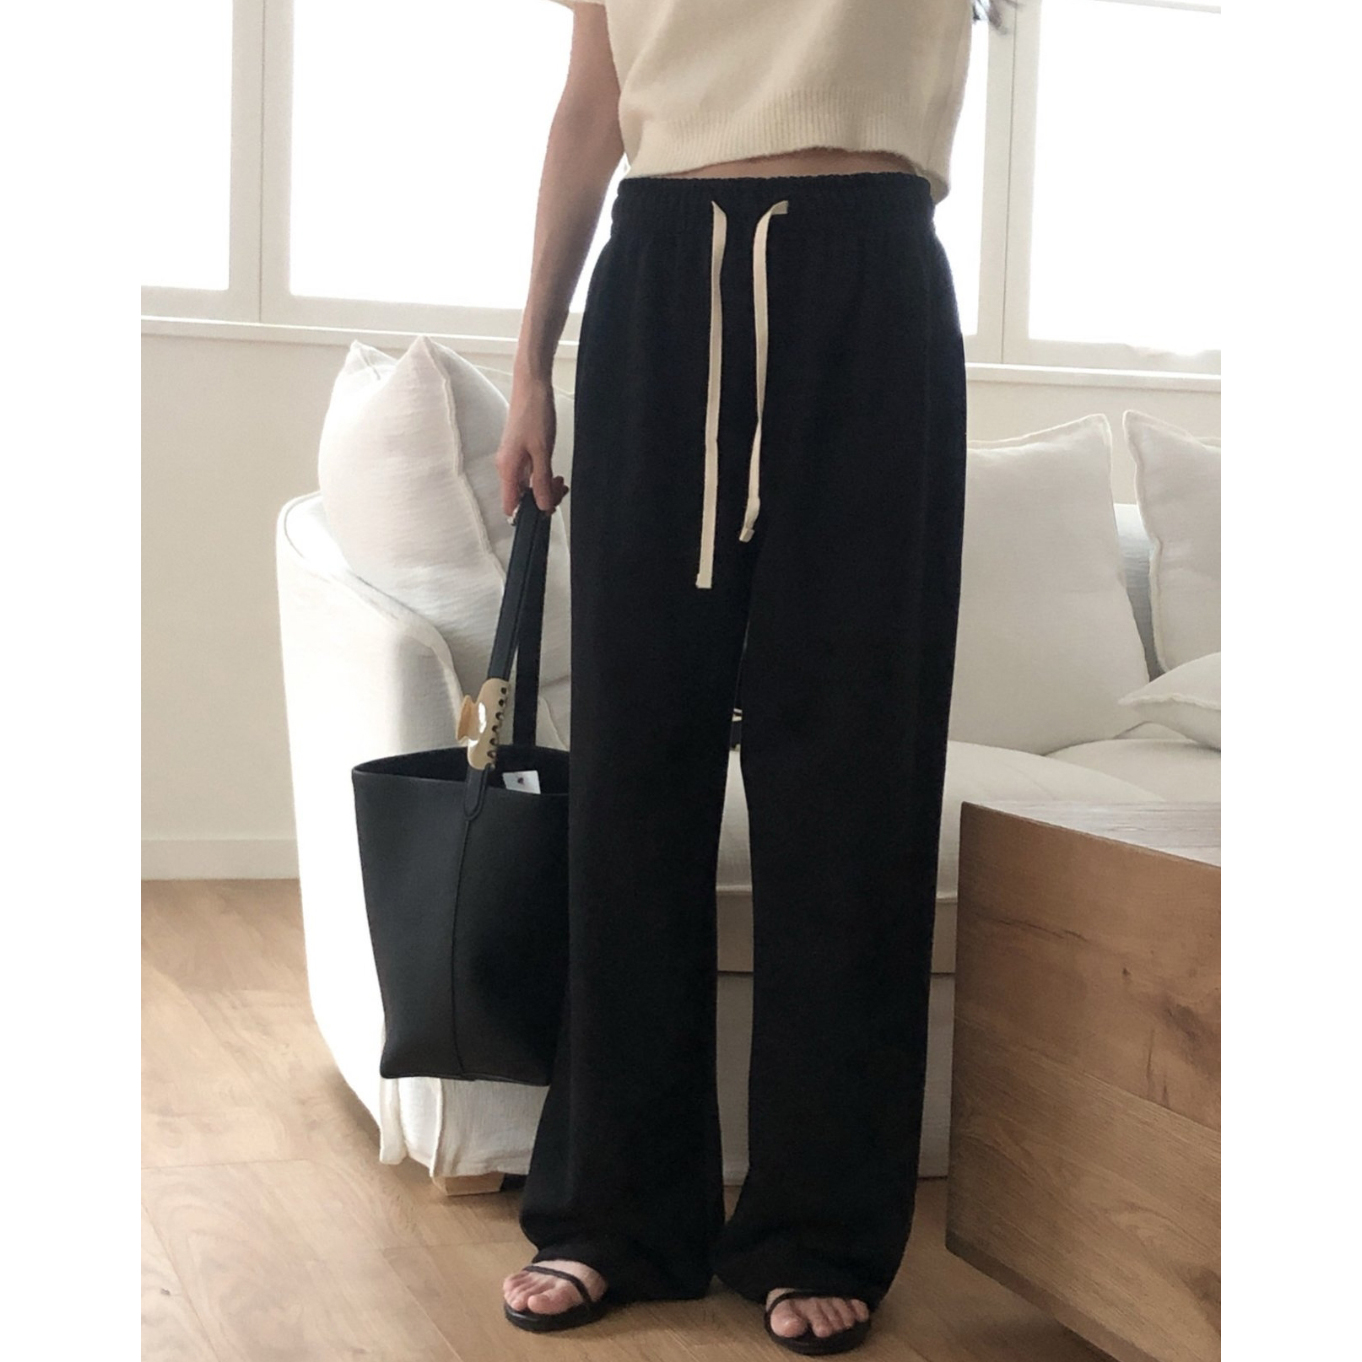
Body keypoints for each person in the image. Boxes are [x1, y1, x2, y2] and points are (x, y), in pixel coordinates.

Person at [494, 0, 1009, 1353]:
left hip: (872, 278)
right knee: (633, 771)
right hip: (663, 275)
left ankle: (815, 1224)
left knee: (853, 779)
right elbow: (592, 104)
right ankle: (615, 1211)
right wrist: (529, 363)